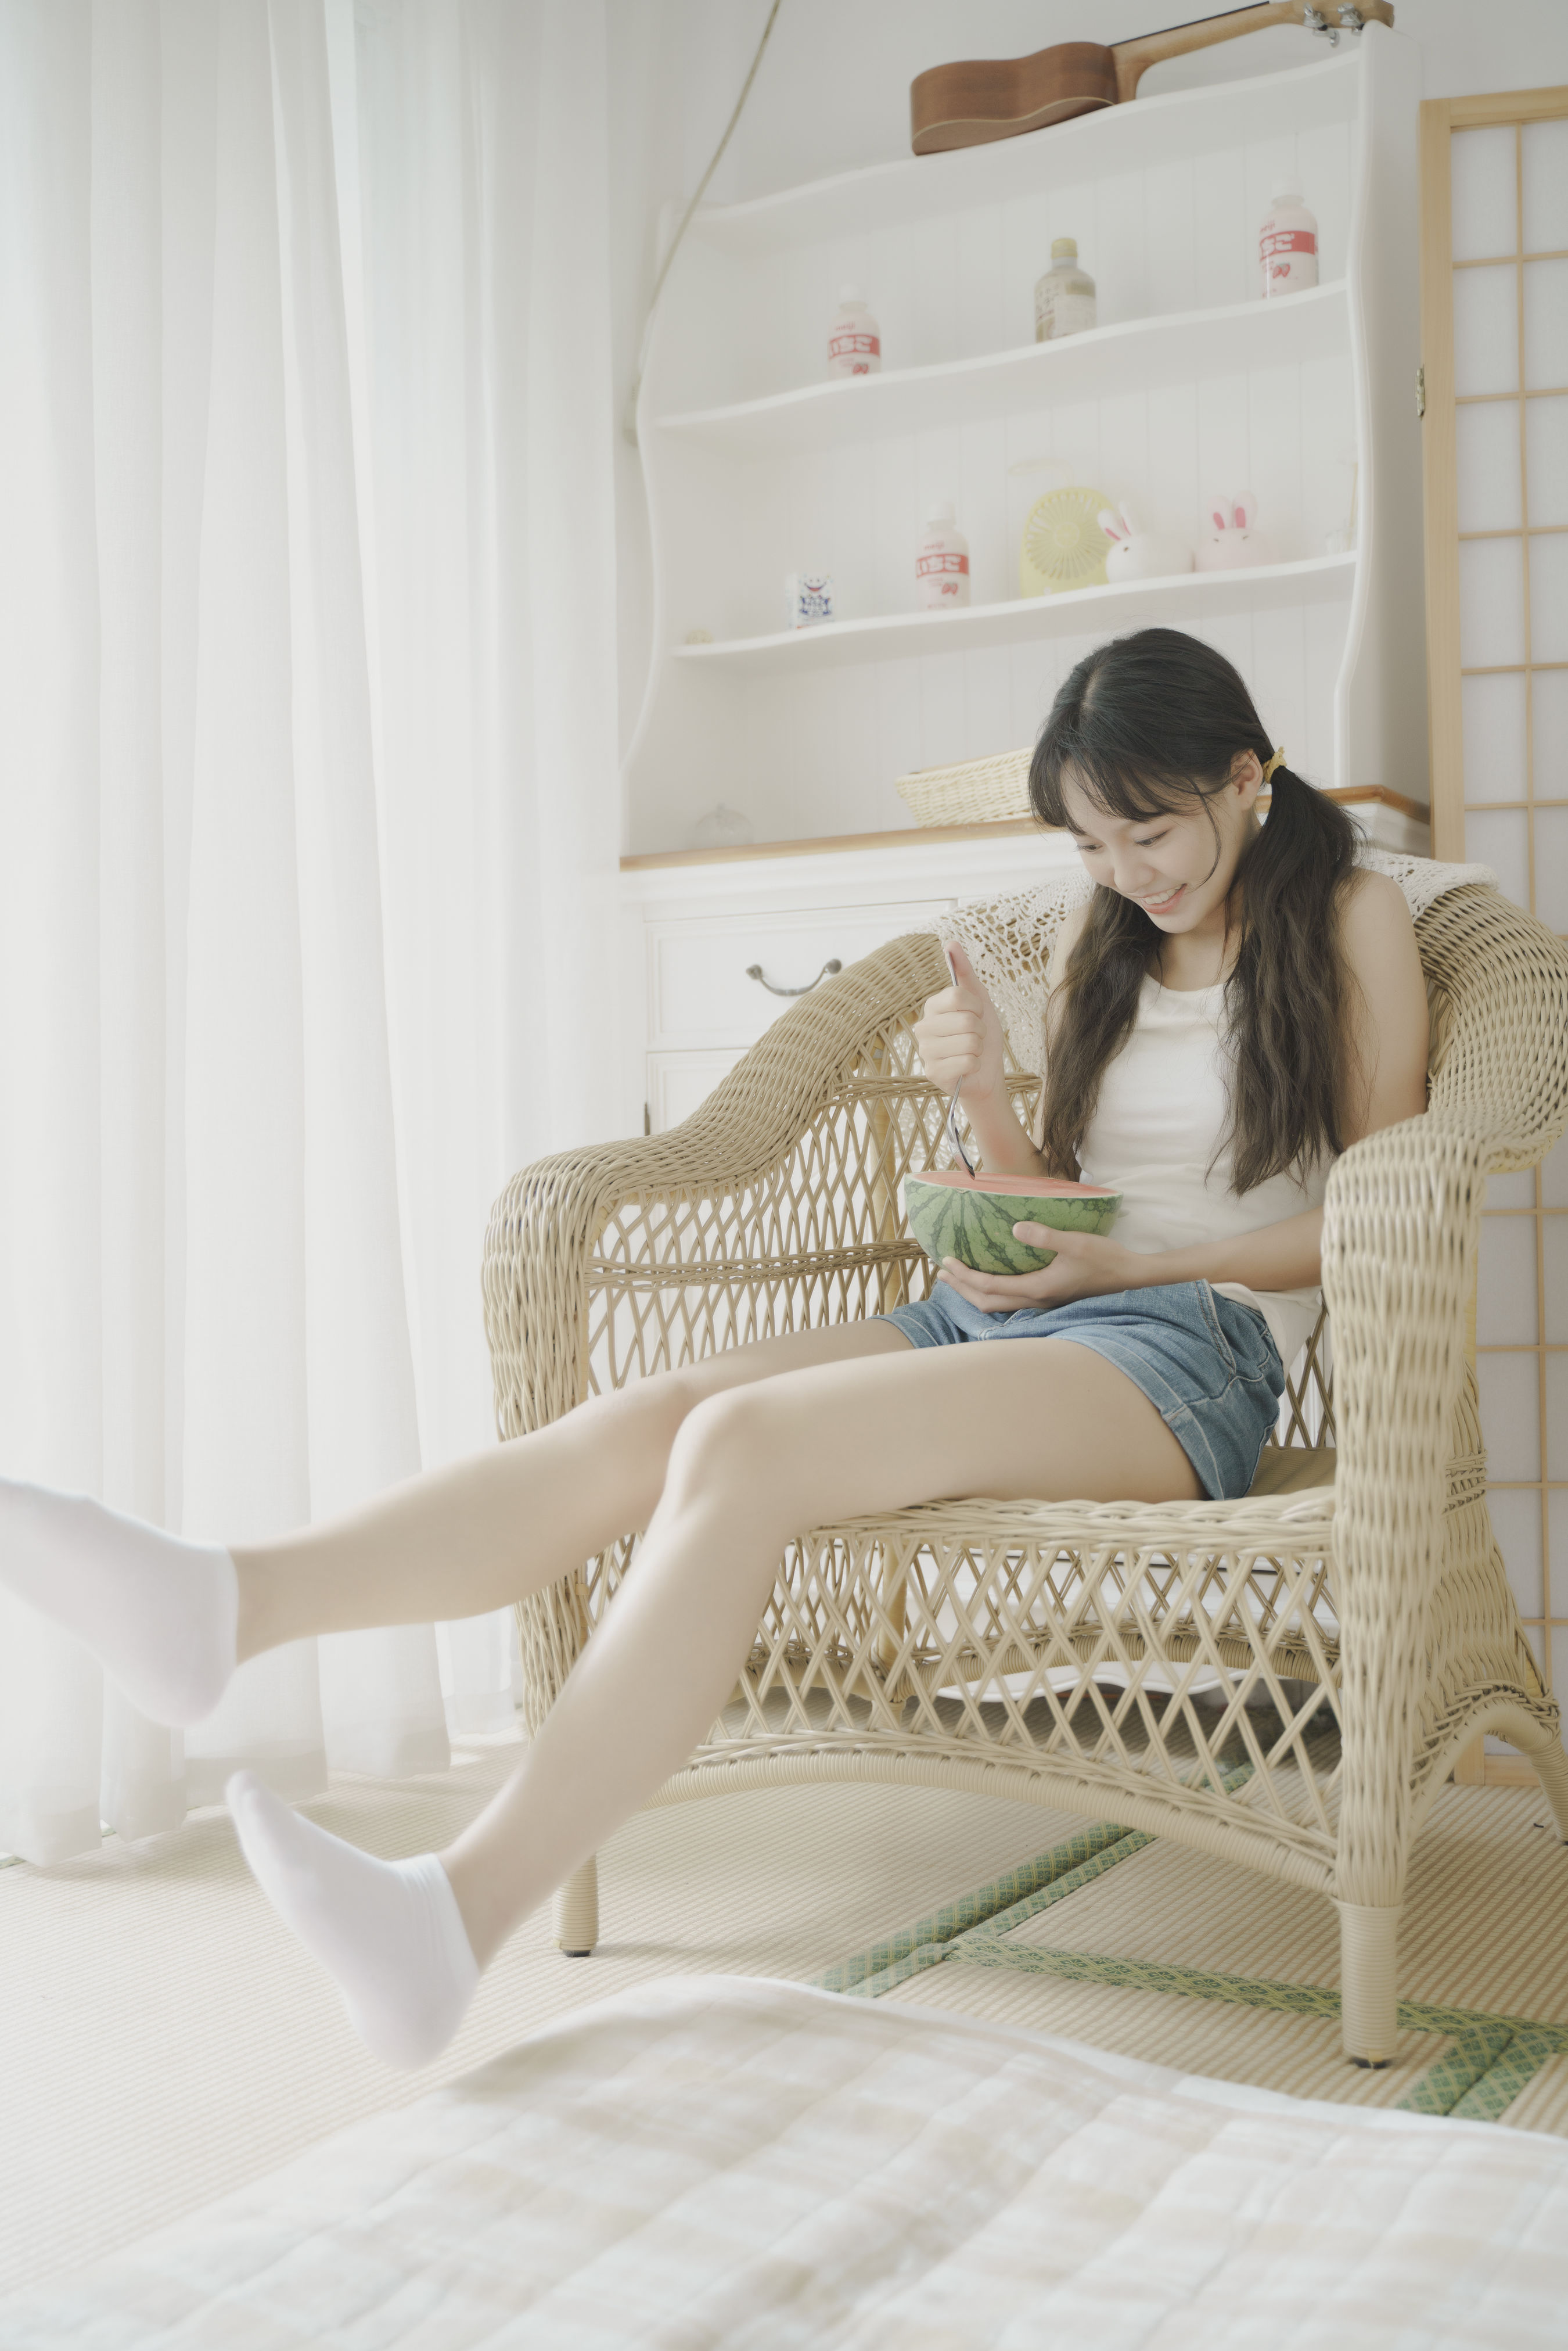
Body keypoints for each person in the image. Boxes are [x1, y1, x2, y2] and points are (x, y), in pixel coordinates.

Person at [0, 627, 1430, 2068]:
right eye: (1094, 841)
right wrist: (989, 1111)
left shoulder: (1354, 919)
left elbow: (1372, 1210)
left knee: (741, 1447)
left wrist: (1142, 1263)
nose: (1131, 869)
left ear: (1247, 776)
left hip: (1195, 1347)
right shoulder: (1099, 933)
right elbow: (1057, 1190)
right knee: (662, 1411)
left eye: (1154, 827)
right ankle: (221, 1604)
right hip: (1032, 1303)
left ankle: (456, 1909)